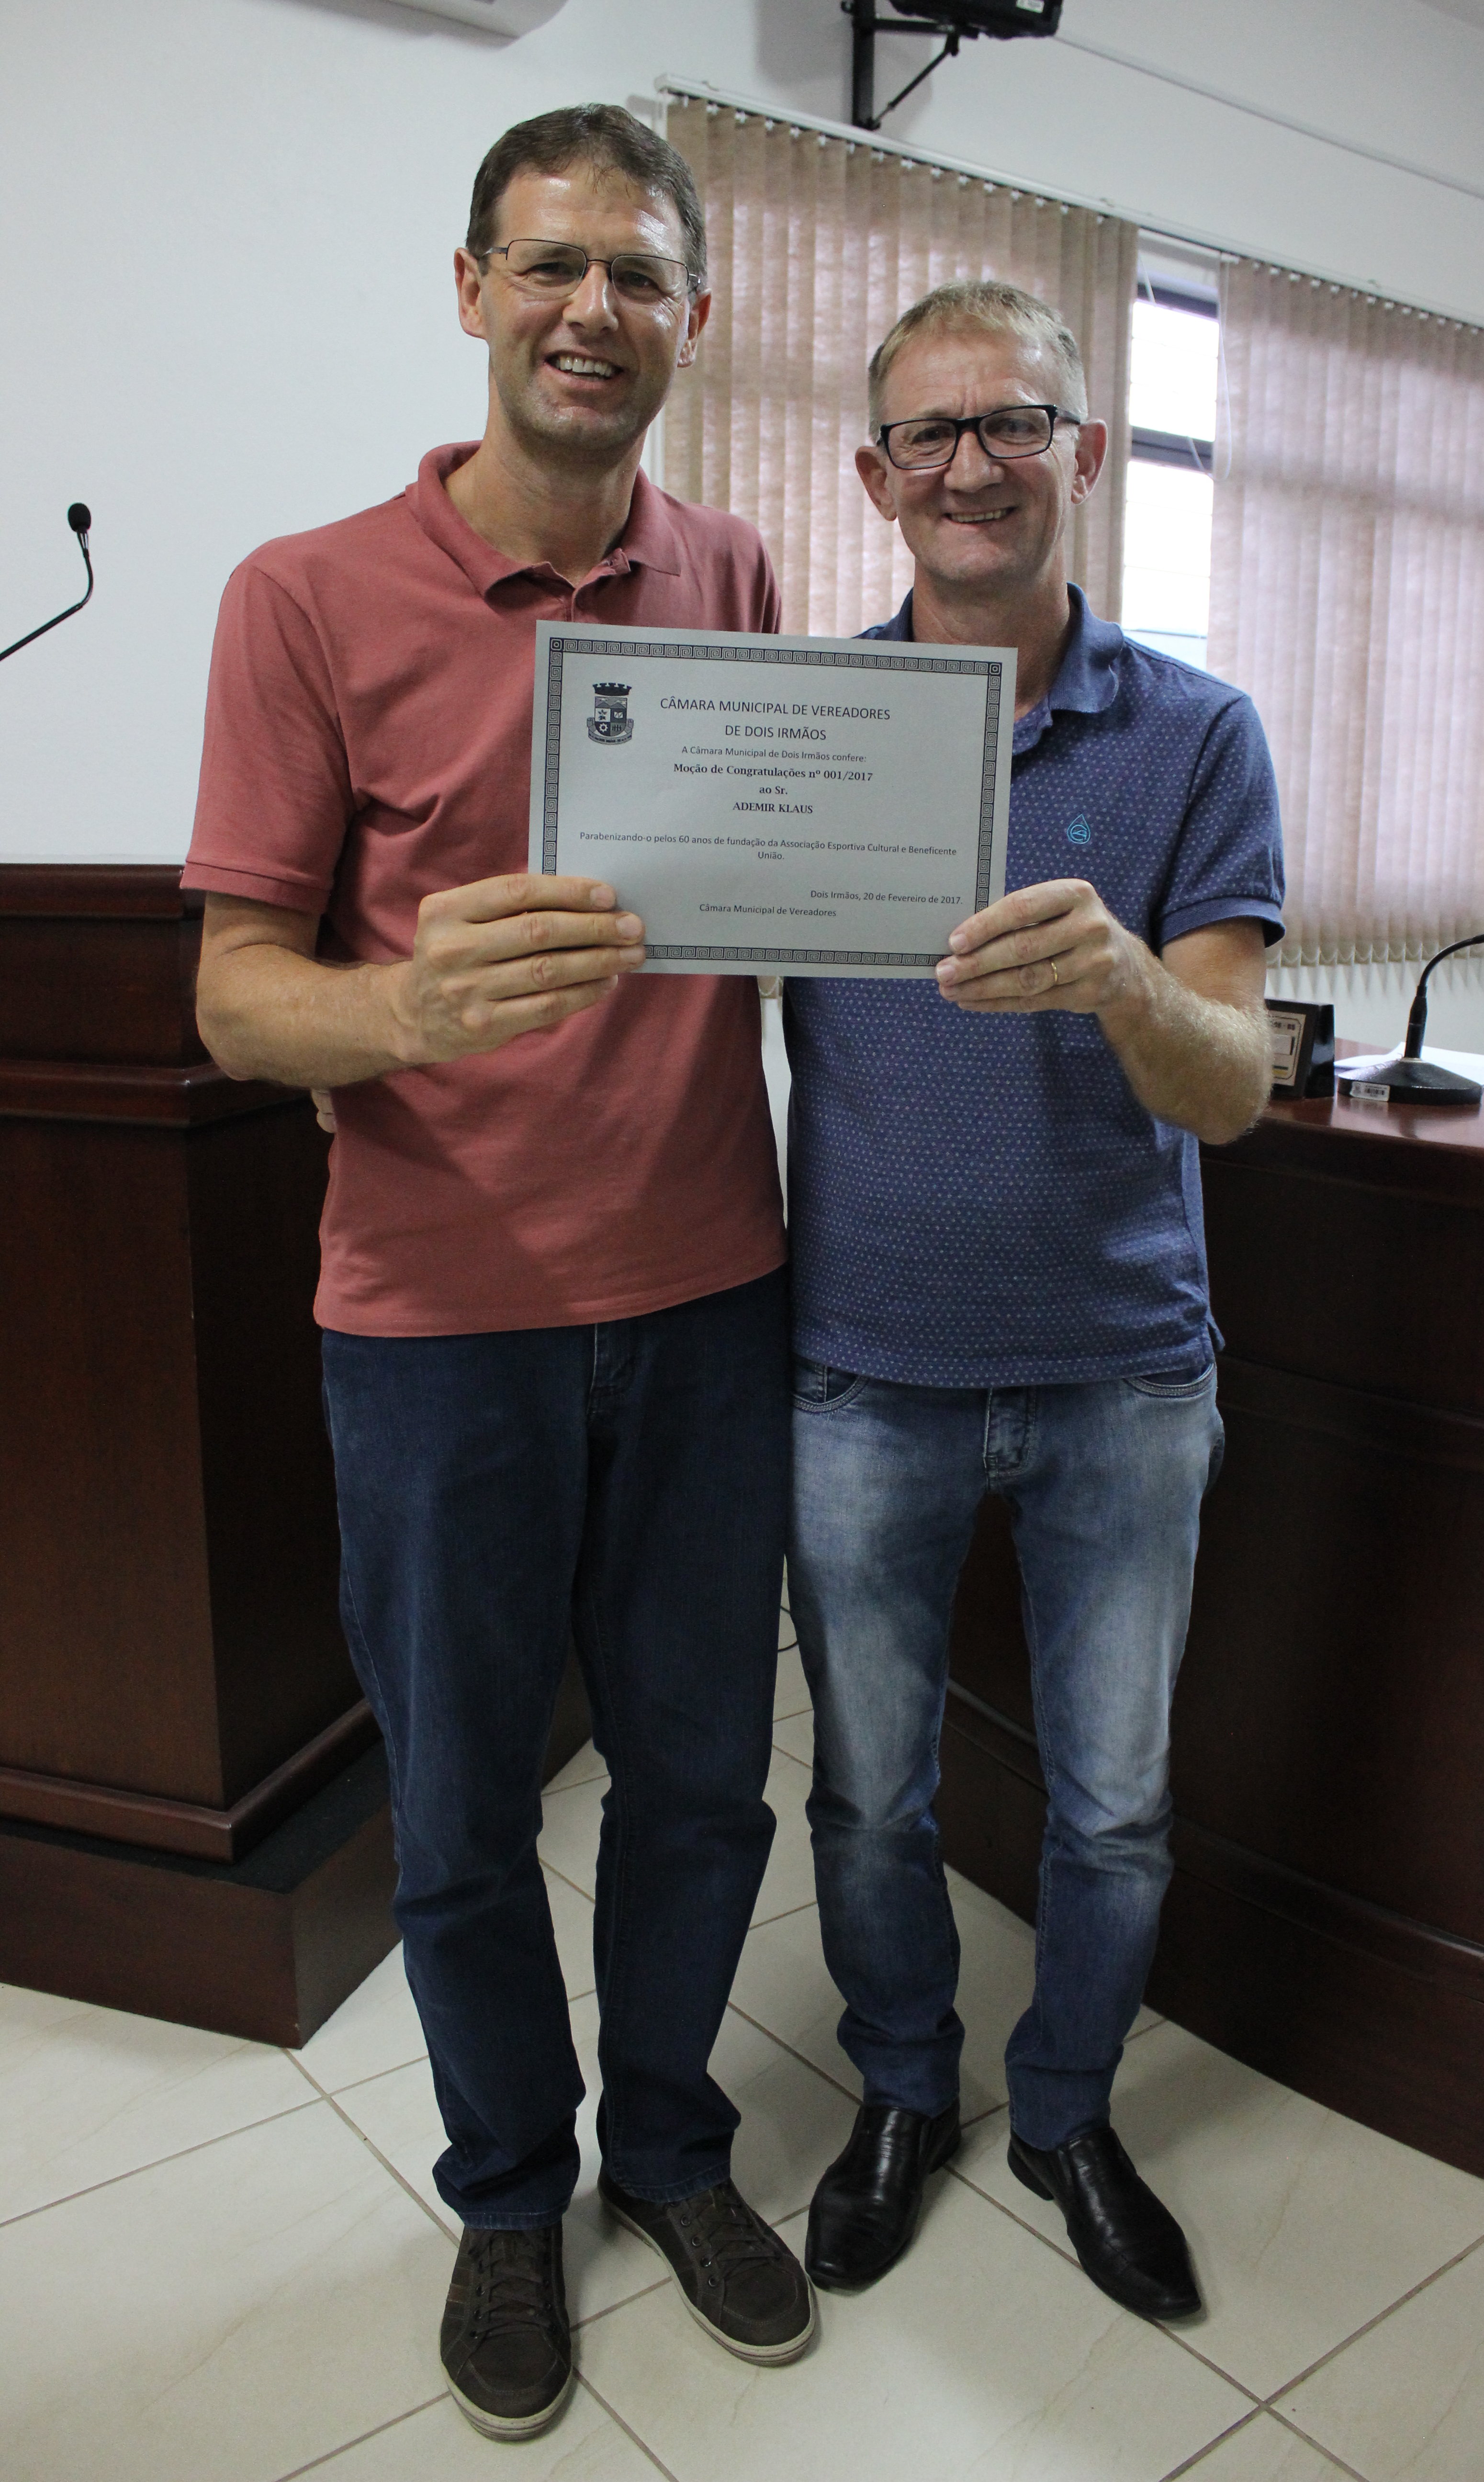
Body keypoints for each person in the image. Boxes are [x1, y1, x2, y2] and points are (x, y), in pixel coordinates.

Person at [186, 106, 813, 2444]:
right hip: (434, 1328)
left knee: (698, 1788)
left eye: (639, 276)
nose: (591, 312)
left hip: (709, 1298)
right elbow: (240, 993)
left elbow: (785, 900)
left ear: (692, 319)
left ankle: (668, 2151)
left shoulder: (740, 573)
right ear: (472, 294)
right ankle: (508, 2198)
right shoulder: (304, 594)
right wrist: (402, 1012)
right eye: (549, 268)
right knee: (454, 1810)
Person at [785, 281, 1285, 2318]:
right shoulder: (810, 729)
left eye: (1017, 422)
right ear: (875, 476)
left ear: (1086, 452)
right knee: (866, 1796)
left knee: (1117, 1806)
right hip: (860, 1374)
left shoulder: (1196, 735)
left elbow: (1235, 1085)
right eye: (929, 431)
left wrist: (1125, 981)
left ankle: (1068, 2109)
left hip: (1121, 1380)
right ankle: (904, 2086)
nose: (971, 461)